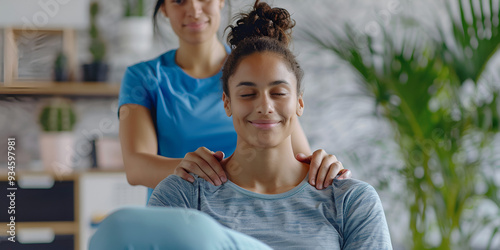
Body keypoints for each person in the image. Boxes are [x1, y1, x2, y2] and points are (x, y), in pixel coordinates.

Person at [147, 1, 392, 249]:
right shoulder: (181, 196)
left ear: (299, 102)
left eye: (278, 93)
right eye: (247, 94)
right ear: (227, 103)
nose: (264, 106)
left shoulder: (350, 200)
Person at [118, 0, 351, 199]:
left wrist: (322, 167)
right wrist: (195, 169)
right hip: (178, 217)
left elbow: (297, 158)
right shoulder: (144, 77)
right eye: (179, 0)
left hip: (247, 214)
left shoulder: (255, 70)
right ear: (164, 9)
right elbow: (136, 168)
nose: (194, 9)